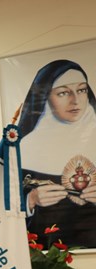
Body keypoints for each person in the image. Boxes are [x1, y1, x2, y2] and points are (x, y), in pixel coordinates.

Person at [18, 59, 96, 248]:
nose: (75, 100)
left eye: (82, 90)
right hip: (48, 254)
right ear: (45, 97)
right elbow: (1, 206)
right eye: (63, 93)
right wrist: (30, 199)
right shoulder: (23, 148)